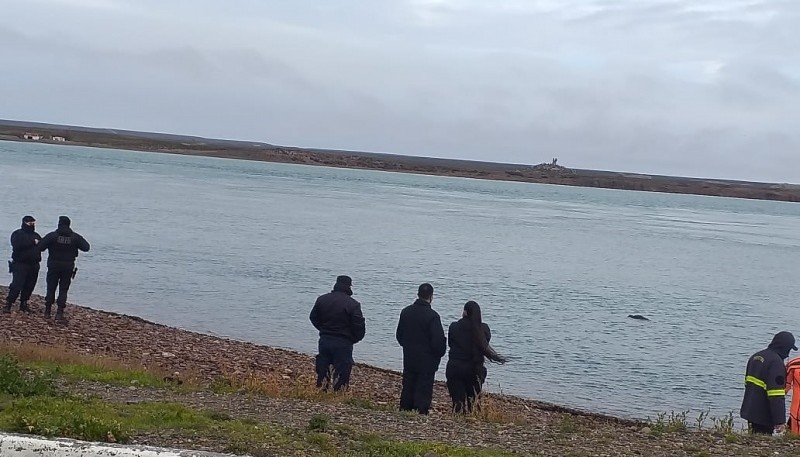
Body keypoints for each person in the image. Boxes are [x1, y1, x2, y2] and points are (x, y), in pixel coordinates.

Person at [445, 300, 507, 413]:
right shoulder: (484, 329)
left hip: (455, 367)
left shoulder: (454, 327)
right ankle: (471, 418)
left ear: (464, 312)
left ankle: (458, 418)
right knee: (473, 401)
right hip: (475, 368)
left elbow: (450, 344)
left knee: (457, 402)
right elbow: (485, 344)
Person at [395, 283, 446, 414]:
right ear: (431, 297)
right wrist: (438, 353)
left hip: (410, 354)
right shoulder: (433, 316)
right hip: (427, 358)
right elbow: (438, 340)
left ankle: (405, 408)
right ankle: (420, 410)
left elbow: (399, 335)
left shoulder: (406, 312)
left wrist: (407, 346)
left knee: (408, 384)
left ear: (418, 294)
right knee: (424, 386)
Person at [309, 275, 365, 391]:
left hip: (325, 339)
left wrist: (322, 329)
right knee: (342, 371)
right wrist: (354, 339)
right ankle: (338, 395)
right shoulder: (353, 304)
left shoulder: (322, 299)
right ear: (349, 286)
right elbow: (359, 326)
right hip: (343, 342)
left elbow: (313, 317)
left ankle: (321, 391)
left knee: (323, 367)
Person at [741, 331, 797, 435]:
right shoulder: (776, 363)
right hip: (764, 415)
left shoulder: (755, 357)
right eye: (789, 349)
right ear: (785, 348)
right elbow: (776, 395)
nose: (788, 354)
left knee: (753, 439)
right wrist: (780, 421)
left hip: (749, 410)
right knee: (761, 442)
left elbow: (747, 384)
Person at [38, 216, 90, 320]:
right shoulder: (75, 237)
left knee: (51, 287)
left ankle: (47, 311)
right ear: (69, 225)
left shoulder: (52, 236)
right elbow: (86, 247)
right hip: (68, 266)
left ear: (59, 224)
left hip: (53, 265)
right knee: (63, 289)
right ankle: (59, 313)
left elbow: (40, 247)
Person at [3, 216, 42, 314]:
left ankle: (23, 303)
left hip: (34, 264)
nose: (32, 225)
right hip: (20, 264)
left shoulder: (36, 235)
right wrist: (32, 243)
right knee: (17, 285)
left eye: (33, 223)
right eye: (30, 223)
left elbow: (42, 246)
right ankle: (9, 303)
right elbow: (17, 245)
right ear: (24, 223)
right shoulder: (17, 234)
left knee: (30, 285)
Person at [785, 355, 800, 434]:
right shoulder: (793, 364)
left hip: (796, 413)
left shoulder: (793, 363)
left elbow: (784, 390)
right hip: (796, 413)